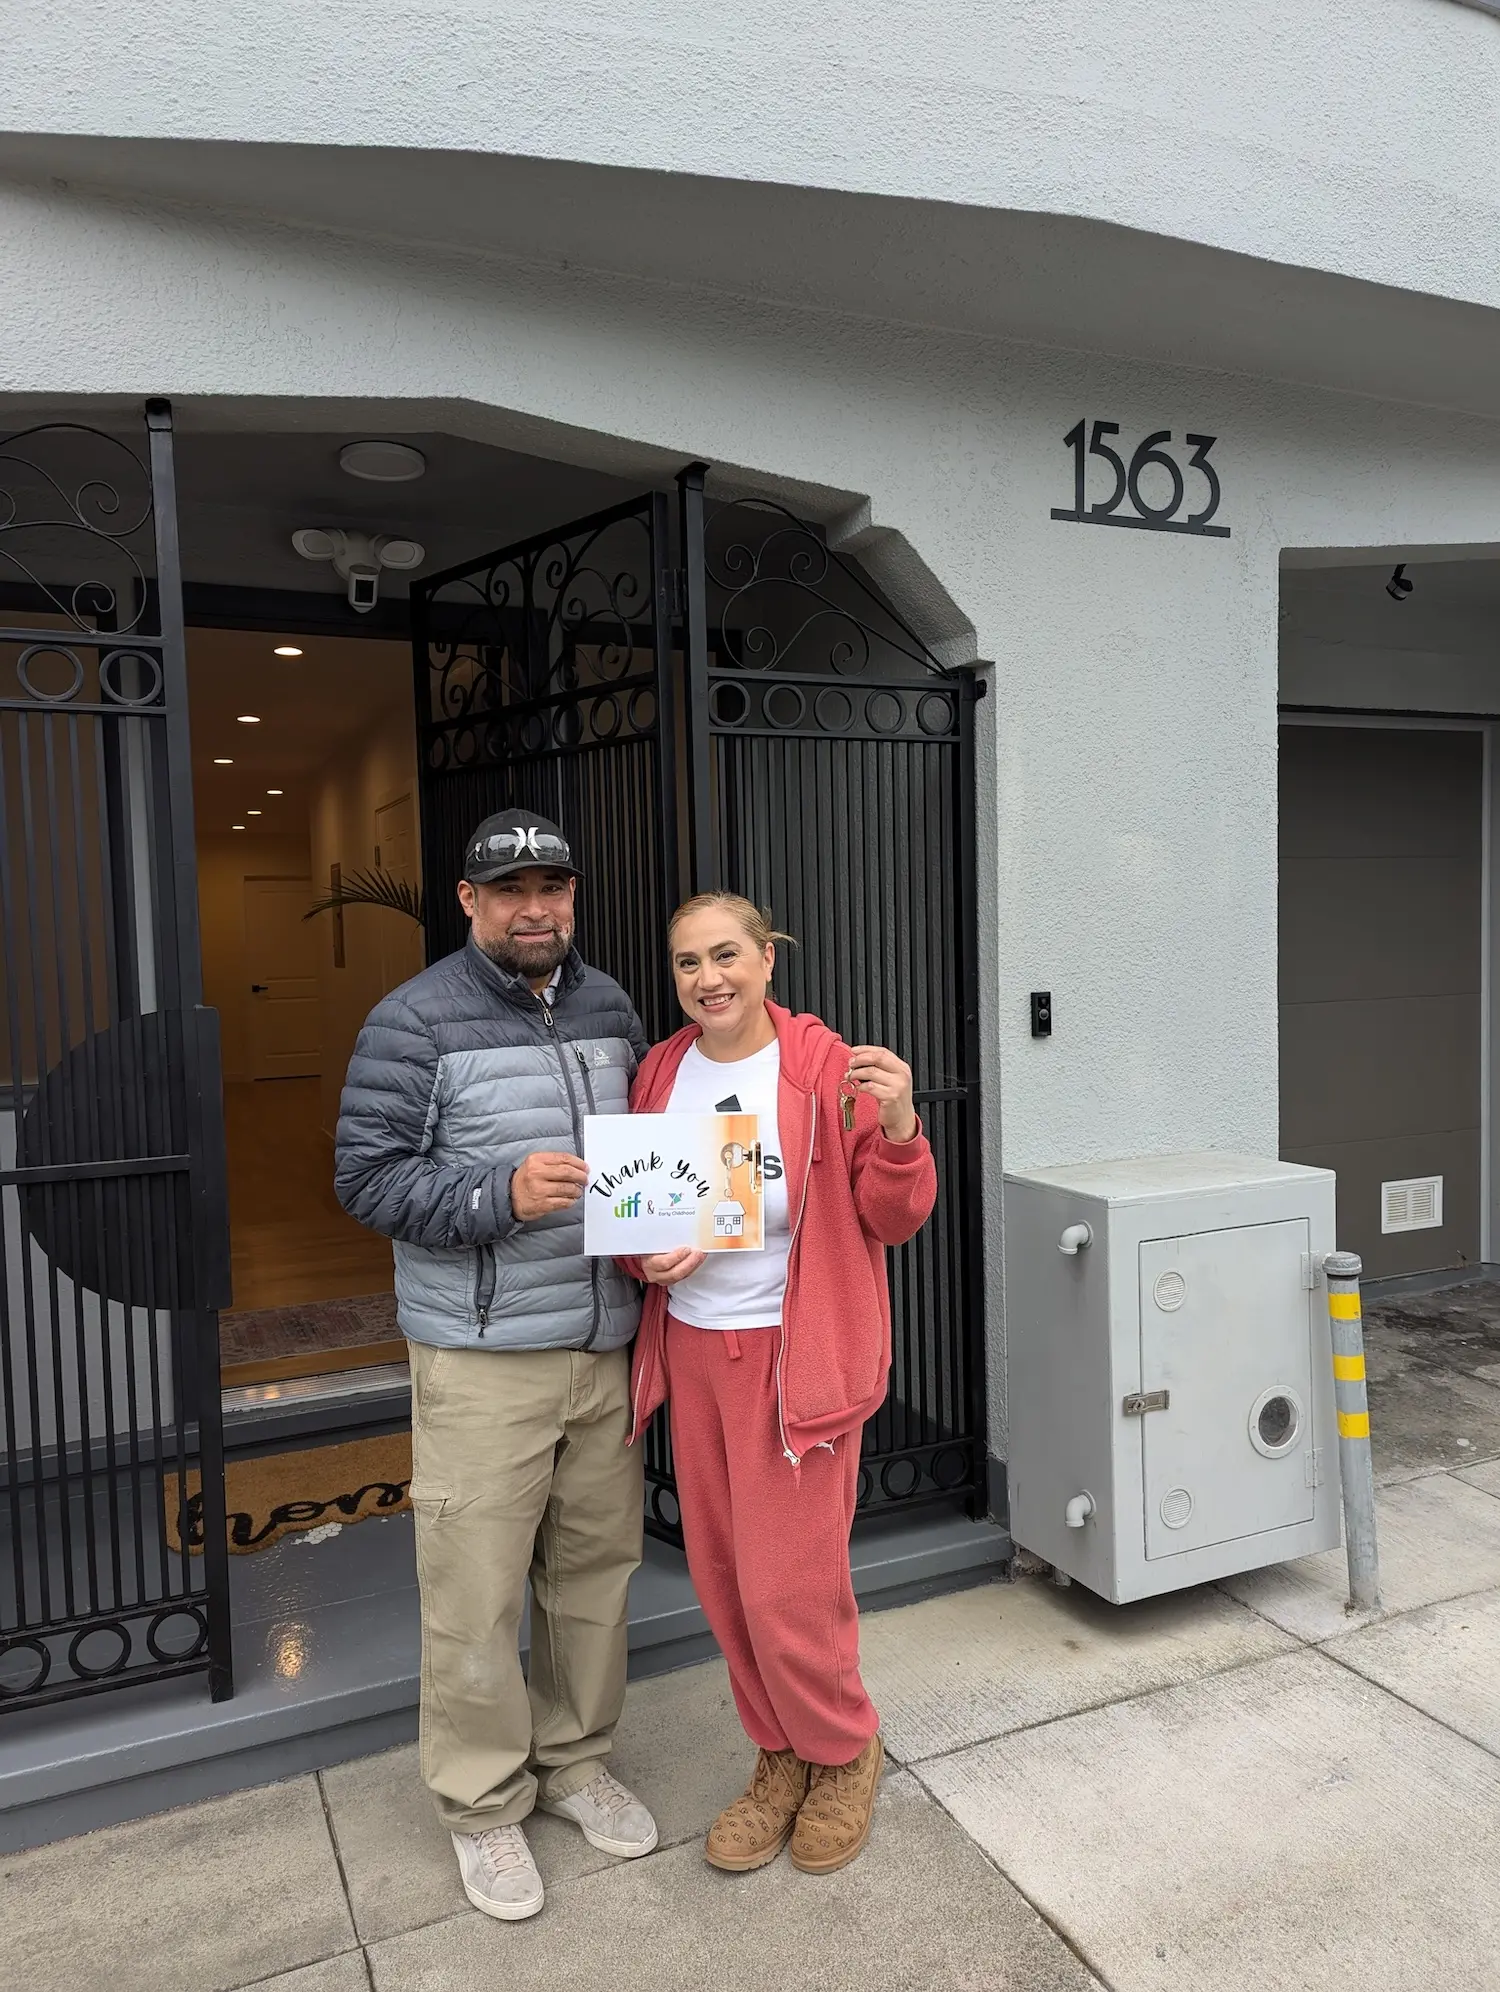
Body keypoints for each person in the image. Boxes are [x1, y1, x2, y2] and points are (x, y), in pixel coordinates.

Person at [334, 807, 658, 1925]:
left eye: (552, 887)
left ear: (572, 896)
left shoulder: (611, 1007)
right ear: (469, 901)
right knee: (474, 1596)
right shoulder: (411, 1021)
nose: (534, 909)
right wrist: (496, 1195)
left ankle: (575, 1762)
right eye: (509, 890)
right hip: (480, 1359)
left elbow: (647, 1165)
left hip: (602, 1345)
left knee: (593, 1577)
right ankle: (482, 1805)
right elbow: (366, 1179)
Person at [625, 892, 937, 1874]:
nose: (708, 978)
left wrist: (900, 1127)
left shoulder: (823, 1070)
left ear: (767, 960)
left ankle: (842, 1750)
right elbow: (642, 1211)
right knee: (724, 1579)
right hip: (694, 1350)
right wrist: (646, 1258)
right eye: (688, 963)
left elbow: (894, 1217)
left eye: (726, 955)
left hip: (793, 1357)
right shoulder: (661, 1071)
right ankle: (780, 1755)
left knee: (789, 1588)